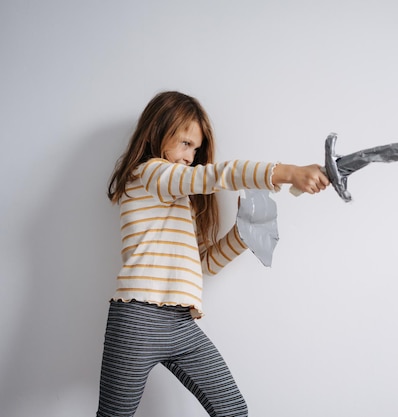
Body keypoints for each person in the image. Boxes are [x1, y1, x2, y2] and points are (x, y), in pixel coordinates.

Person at [96, 91, 329, 417]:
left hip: (180, 323)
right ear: (156, 133)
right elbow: (210, 176)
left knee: (233, 411)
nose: (191, 155)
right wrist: (287, 172)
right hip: (138, 321)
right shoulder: (148, 174)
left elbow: (205, 263)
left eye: (196, 148)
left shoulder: (178, 203)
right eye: (184, 143)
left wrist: (243, 233)